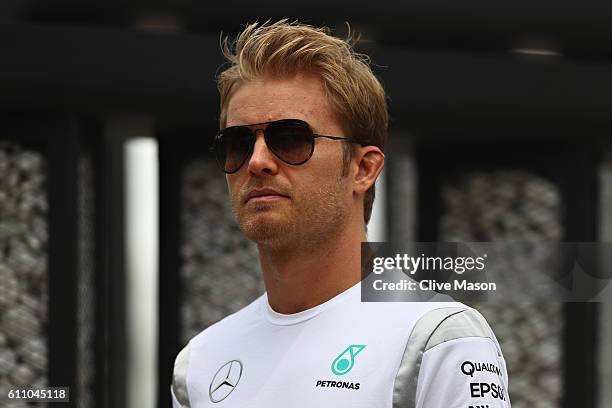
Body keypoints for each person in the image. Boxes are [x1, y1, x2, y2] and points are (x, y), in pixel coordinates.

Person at [171, 20, 510, 407]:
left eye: (291, 139)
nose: (258, 161)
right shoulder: (199, 363)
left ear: (363, 169)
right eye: (238, 143)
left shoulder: (435, 337)